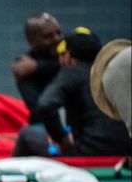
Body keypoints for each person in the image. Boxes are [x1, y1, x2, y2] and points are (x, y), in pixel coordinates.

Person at [15, 28, 132, 157]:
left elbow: (46, 104)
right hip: (125, 148)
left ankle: (11, 175)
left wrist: (61, 138)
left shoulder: (72, 72)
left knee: (27, 133)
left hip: (87, 150)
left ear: (68, 56)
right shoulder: (113, 72)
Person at [13, 12, 64, 123]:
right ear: (32, 41)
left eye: (59, 33)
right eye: (48, 36)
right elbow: (38, 107)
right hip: (46, 123)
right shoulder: (23, 66)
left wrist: (38, 66)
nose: (57, 38)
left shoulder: (71, 52)